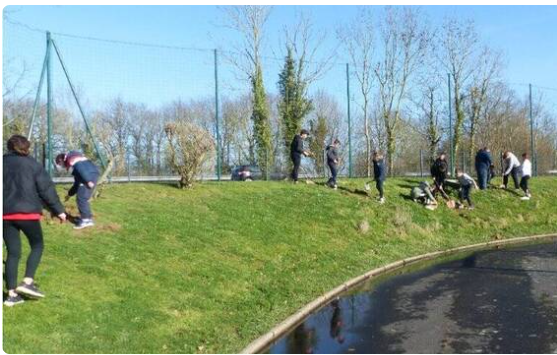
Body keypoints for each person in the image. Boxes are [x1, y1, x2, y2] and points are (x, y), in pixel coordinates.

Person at [3, 135, 67, 306]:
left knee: (13, 253)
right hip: (28, 213)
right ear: (27, 147)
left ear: (9, 147)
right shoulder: (33, 165)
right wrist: (59, 211)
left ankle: (11, 296)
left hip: (5, 215)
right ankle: (27, 282)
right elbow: (46, 190)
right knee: (37, 245)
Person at [55, 151, 100, 229]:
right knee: (82, 197)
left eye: (60, 164)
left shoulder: (71, 159)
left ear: (61, 160)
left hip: (89, 175)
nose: (62, 167)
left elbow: (80, 167)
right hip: (91, 173)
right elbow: (77, 183)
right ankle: (87, 218)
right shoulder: (74, 167)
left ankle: (86, 220)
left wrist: (88, 180)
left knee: (82, 198)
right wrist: (69, 194)